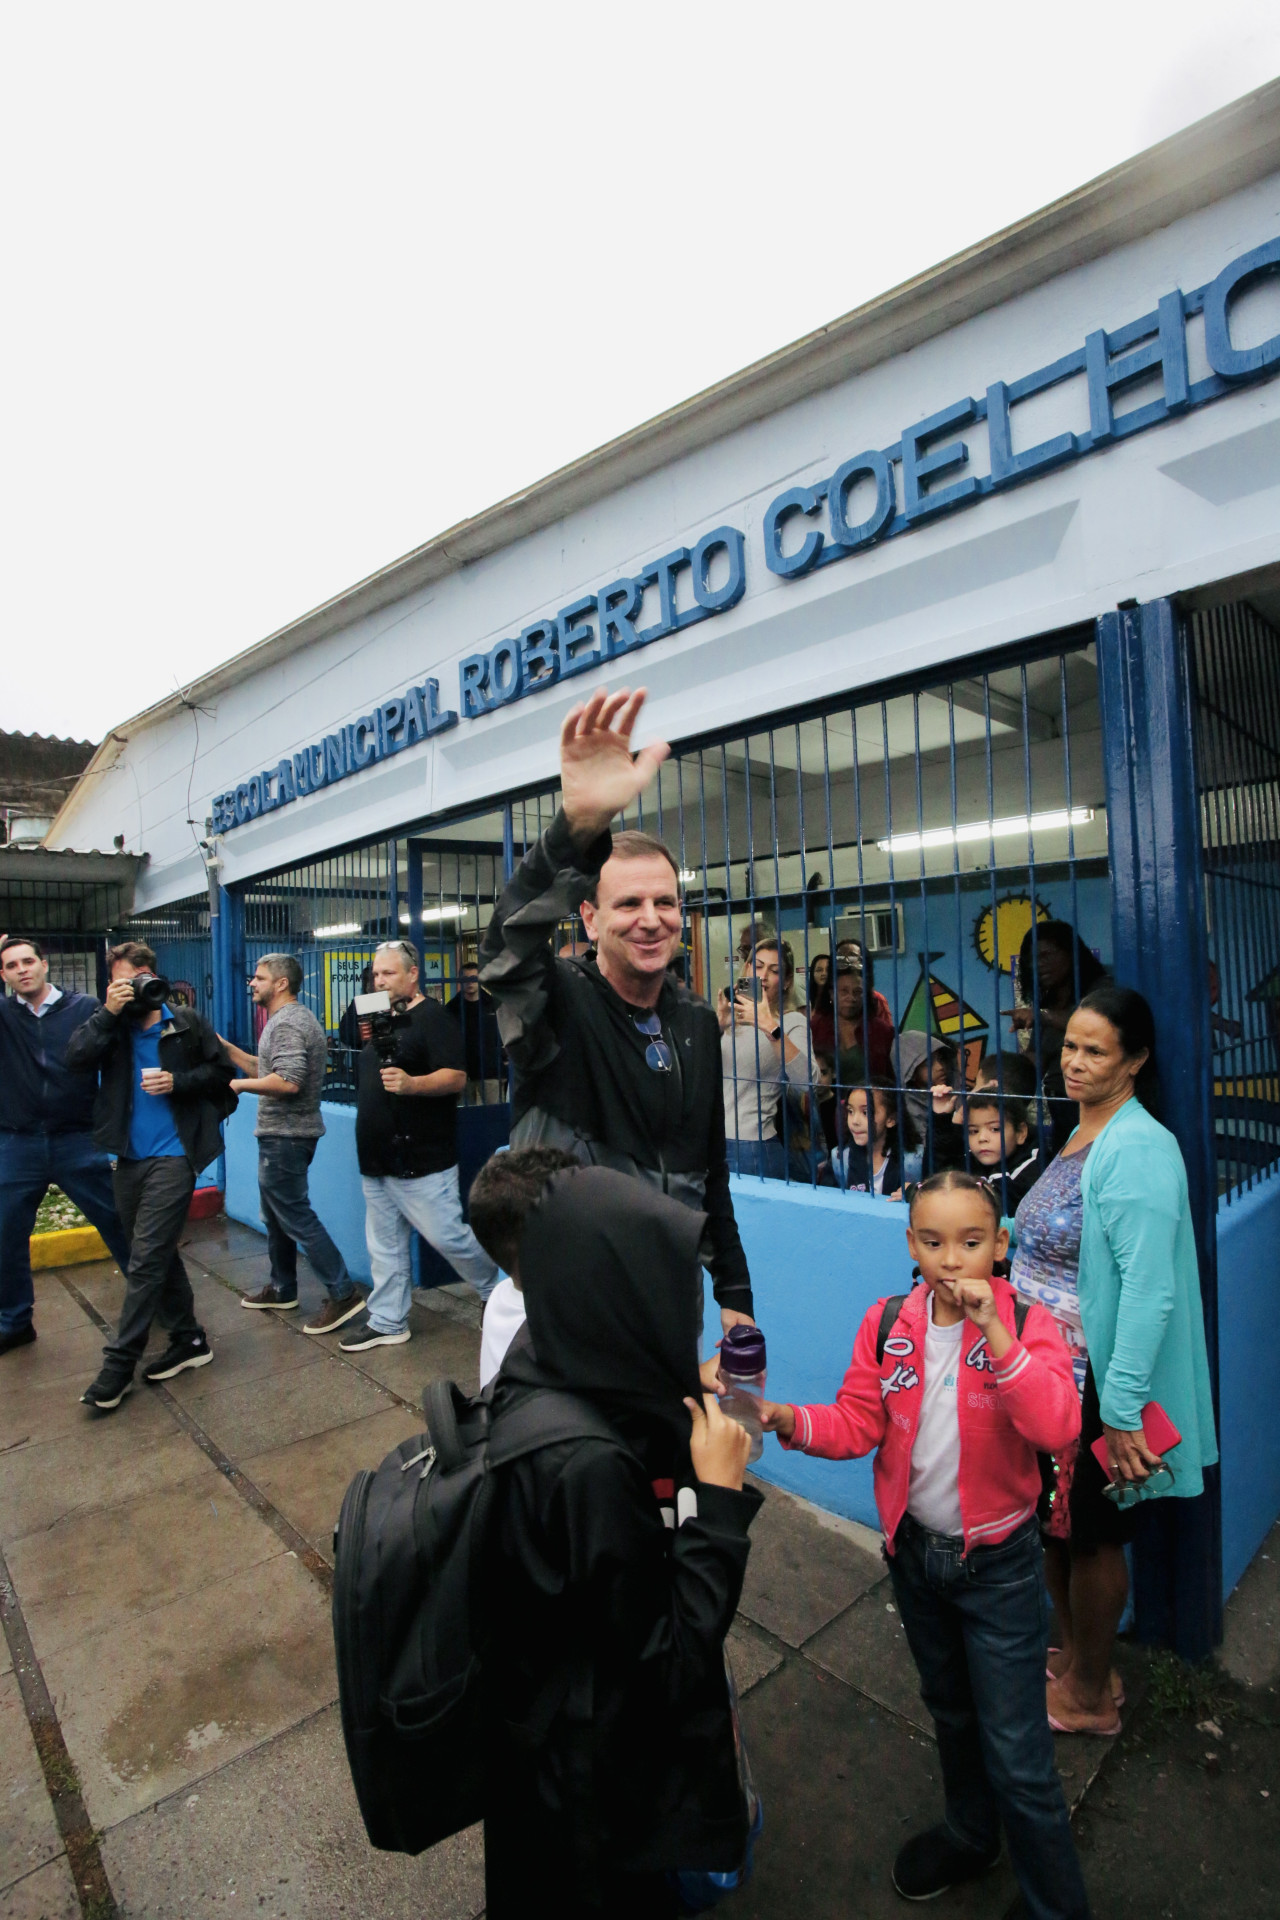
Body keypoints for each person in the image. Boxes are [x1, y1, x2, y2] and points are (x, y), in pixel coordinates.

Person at [760, 1170, 1089, 1917]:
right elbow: (857, 1423)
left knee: (1019, 1756)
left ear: (1000, 1247)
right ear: (910, 1243)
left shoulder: (1027, 1323)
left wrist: (996, 1336)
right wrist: (787, 1419)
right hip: (915, 1560)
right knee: (950, 1708)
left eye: (971, 1243)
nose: (951, 1260)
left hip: (999, 1568)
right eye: (933, 1242)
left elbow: (1057, 1427)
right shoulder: (887, 1324)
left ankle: (1056, 1906)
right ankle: (972, 1835)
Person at [466, 1150, 762, 1919]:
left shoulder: (550, 1354)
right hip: (595, 1801)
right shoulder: (584, 1466)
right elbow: (668, 1654)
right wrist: (721, 1502)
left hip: (554, 1753)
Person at [478, 686, 756, 1340]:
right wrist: (572, 833)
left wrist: (734, 1291)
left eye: (666, 902)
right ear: (590, 915)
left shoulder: (693, 1022)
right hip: (567, 1303)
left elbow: (706, 1168)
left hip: (667, 1299)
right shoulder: (555, 1004)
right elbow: (503, 951)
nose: (652, 919)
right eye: (629, 903)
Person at [1015, 987, 1218, 1739]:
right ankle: (1073, 1659)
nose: (1073, 1061)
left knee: (1093, 1534)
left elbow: (1148, 1292)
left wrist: (1120, 1408)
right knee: (1055, 1526)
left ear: (1134, 1060)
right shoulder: (1080, 1131)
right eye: (1069, 1044)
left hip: (1094, 1381)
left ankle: (1092, 1694)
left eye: (1095, 1050)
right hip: (1047, 1376)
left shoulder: (1137, 1148)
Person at [65, 941, 235, 1411]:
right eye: (126, 978)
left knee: (143, 1259)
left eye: (143, 975)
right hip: (127, 1157)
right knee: (153, 1251)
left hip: (175, 1155)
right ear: (114, 983)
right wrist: (107, 1012)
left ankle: (119, 1365)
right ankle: (189, 1339)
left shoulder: (185, 1023)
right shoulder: (110, 1028)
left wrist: (176, 1082)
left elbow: (221, 1073)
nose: (138, 985)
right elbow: (75, 1059)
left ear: (153, 975)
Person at [338, 938, 497, 1350]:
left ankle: (496, 1287)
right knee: (385, 1244)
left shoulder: (436, 1019)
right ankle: (389, 1320)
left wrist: (412, 1084)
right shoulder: (378, 1016)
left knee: (449, 1237)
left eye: (388, 973)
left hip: (421, 1155)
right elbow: (352, 1043)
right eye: (375, 973)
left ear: (413, 974)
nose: (380, 980)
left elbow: (457, 1077)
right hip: (377, 1155)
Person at [0, 936, 133, 1356]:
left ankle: (162, 1302)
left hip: (78, 1138)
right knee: (5, 1235)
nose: (21, 970)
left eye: (27, 961)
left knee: (119, 1223)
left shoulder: (84, 1009)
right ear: (3, 975)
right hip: (18, 1143)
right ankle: (15, 1322)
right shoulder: (3, 1015)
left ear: (45, 965)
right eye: (10, 965)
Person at [219, 954, 363, 1334]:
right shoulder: (288, 1021)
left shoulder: (287, 1023)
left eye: (259, 977)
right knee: (277, 1215)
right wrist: (225, 1050)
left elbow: (288, 1081)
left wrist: (235, 1085)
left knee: (295, 1215)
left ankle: (343, 1292)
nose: (252, 982)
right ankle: (283, 1288)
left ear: (281, 983)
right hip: (284, 1133)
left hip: (286, 1136)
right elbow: (270, 1070)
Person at [717, 937, 810, 1178]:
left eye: (775, 970)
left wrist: (770, 1027)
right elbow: (695, 1073)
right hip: (710, 1140)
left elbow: (807, 1081)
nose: (763, 975)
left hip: (752, 1145)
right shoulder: (728, 1016)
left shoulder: (791, 1022)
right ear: (747, 969)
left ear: (787, 981)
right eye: (757, 966)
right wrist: (716, 1027)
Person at [1010, 923, 1107, 1150]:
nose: (1037, 965)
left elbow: (1096, 1023)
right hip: (1061, 1110)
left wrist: (1042, 1016)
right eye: (1031, 959)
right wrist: (998, 1082)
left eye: (1046, 955)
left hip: (1094, 1108)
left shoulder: (1103, 989)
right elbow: (1035, 1062)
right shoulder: (1048, 1003)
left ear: (1070, 953)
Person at [810, 950, 895, 1087]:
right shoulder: (814, 1027)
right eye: (844, 991)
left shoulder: (882, 1032)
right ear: (831, 994)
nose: (851, 998)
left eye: (857, 992)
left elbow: (890, 1080)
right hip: (824, 1105)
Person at [826, 1076, 916, 1196]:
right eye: (850, 1111)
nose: (855, 1121)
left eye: (866, 1113)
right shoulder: (839, 1158)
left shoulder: (914, 1160)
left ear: (891, 1119)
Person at [966, 1091, 1042, 1214]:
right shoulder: (970, 1157)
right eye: (974, 1131)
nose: (982, 1138)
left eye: (995, 1129)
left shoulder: (1033, 1168)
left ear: (1021, 1133)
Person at [444, 960, 504, 1104]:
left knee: (495, 1116)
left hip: (490, 1070)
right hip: (463, 1071)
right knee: (466, 1118)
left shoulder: (493, 1004)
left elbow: (502, 1035)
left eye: (473, 978)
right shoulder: (451, 1008)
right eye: (466, 979)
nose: (470, 983)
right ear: (460, 980)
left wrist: (502, 1065)